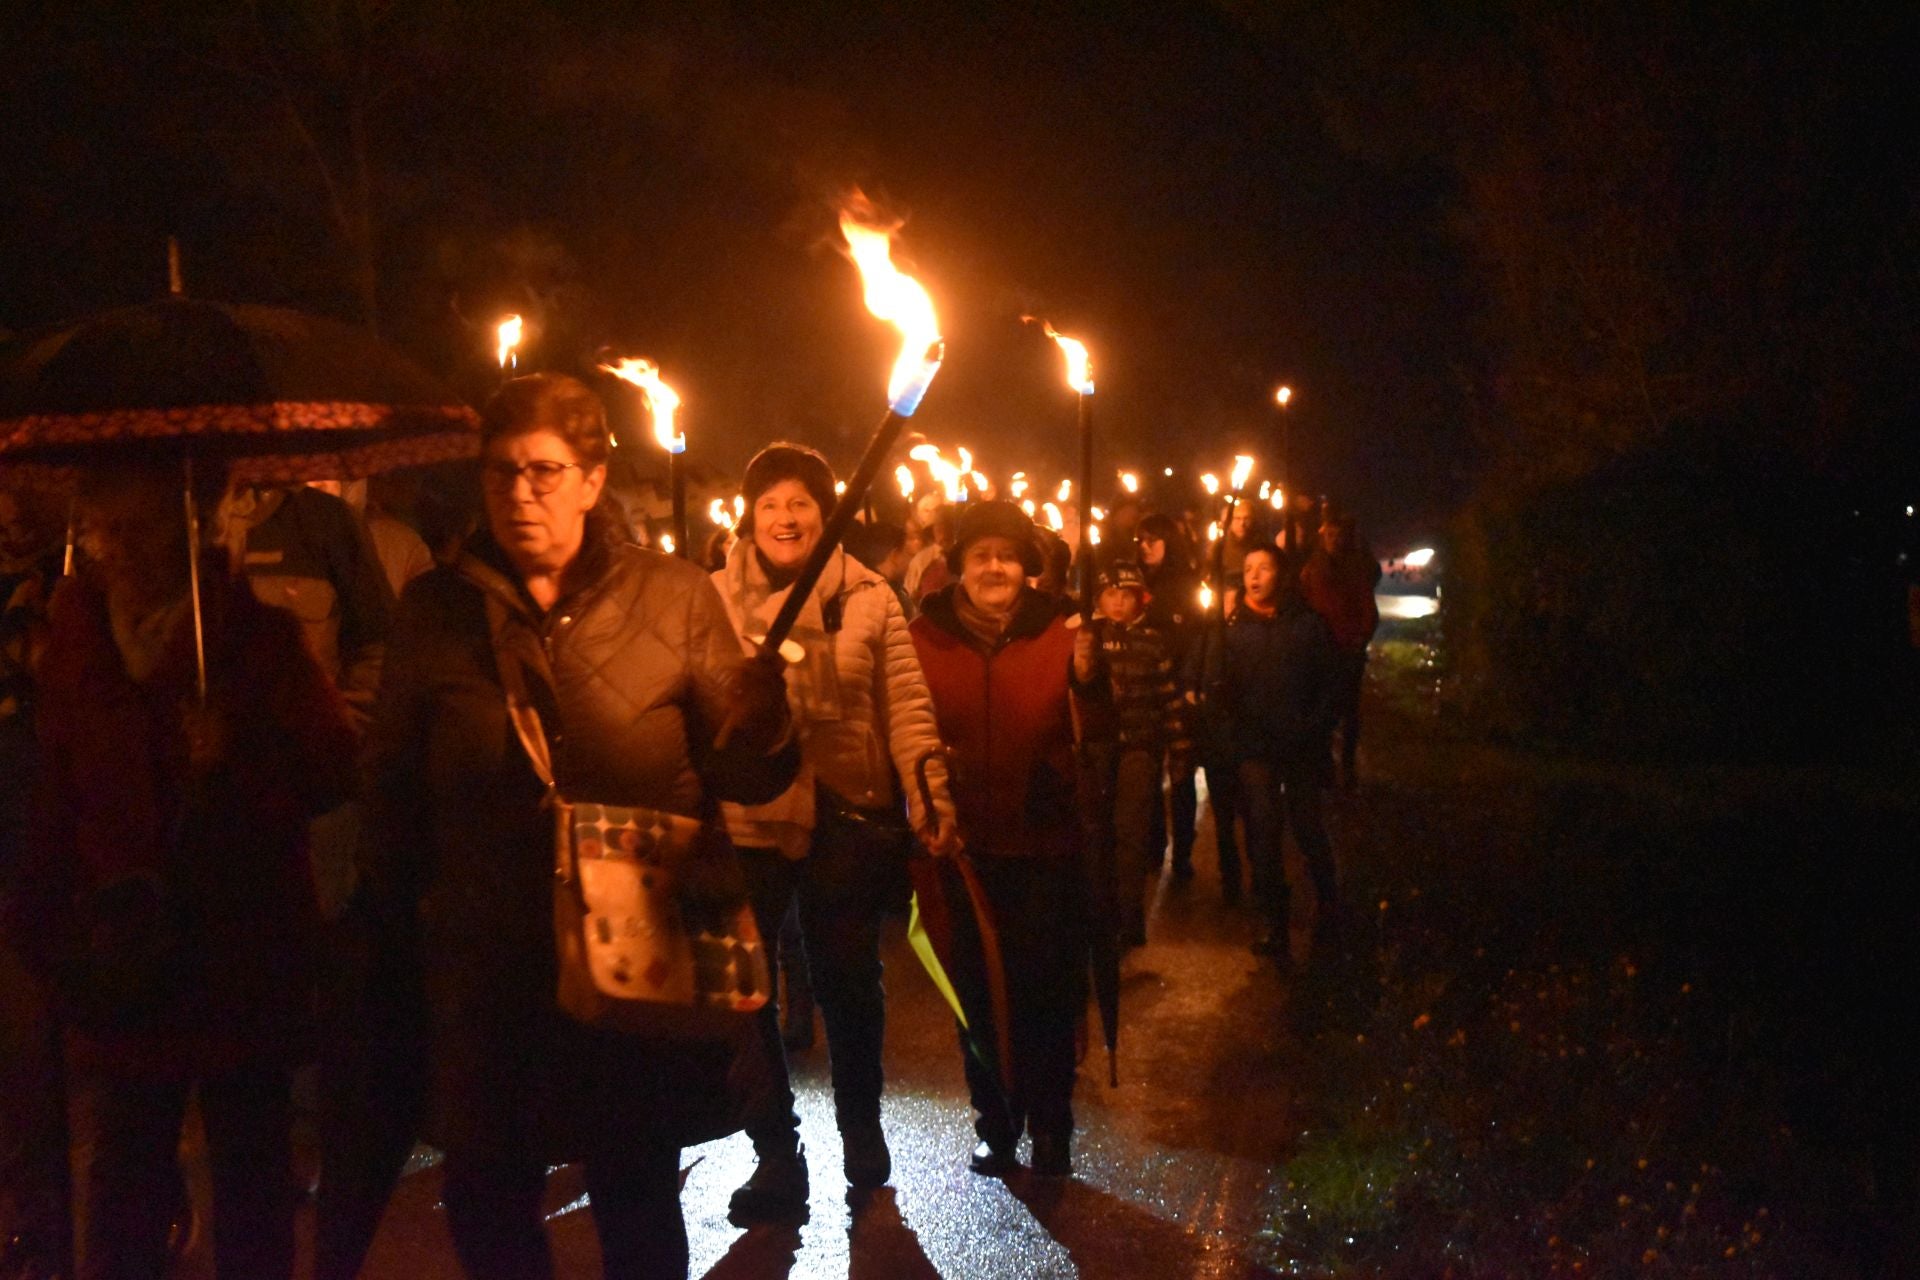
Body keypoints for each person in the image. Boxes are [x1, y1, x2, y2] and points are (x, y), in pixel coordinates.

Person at [355, 374, 797, 1279]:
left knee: (636, 1196)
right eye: (501, 472)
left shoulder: (672, 598)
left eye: (546, 471)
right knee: (487, 1201)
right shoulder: (436, 612)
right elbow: (394, 791)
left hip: (629, 965)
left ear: (595, 479)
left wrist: (767, 720)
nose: (521, 493)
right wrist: (392, 945)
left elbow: (745, 775)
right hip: (491, 968)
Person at [6, 461, 357, 1280]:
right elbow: (59, 794)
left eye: (142, 531)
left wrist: (240, 754)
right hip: (129, 955)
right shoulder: (78, 640)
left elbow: (332, 769)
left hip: (240, 954)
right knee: (125, 1180)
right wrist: (41, 927)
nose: (120, 552)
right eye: (106, 532)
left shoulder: (254, 639)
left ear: (189, 530)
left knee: (250, 1184)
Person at [711, 444, 957, 1219]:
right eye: (770, 504)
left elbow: (907, 711)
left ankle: (861, 1122)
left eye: (801, 504)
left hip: (847, 811)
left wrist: (930, 797)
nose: (784, 518)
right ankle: (776, 1153)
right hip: (751, 814)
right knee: (744, 988)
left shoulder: (868, 597)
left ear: (828, 515)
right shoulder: (712, 597)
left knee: (849, 980)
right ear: (749, 517)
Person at [909, 500, 1092, 1178]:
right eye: (981, 554)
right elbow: (901, 728)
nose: (995, 567)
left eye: (1008, 555)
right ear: (958, 565)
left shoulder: (1064, 631)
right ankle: (996, 1124)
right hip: (961, 851)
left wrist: (1094, 680)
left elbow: (1103, 732)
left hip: (1044, 848)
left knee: (1044, 992)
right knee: (976, 997)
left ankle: (1051, 1126)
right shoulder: (922, 637)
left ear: (1027, 568)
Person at [1209, 545, 1340, 962]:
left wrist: (1315, 729)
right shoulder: (1232, 631)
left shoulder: (1306, 625)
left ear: (1280, 575)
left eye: (1264, 567)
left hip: (1300, 746)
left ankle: (1330, 903)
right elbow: (1222, 695)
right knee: (1263, 835)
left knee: (1306, 827)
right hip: (1255, 749)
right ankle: (1275, 925)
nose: (1255, 575)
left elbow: (1329, 684)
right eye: (1248, 568)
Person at [1085, 561, 1192, 946]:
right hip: (1099, 751)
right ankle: (1100, 916)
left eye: (1125, 595)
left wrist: (1179, 751)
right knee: (1099, 836)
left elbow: (1169, 700)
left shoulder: (1153, 641)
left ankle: (1129, 920)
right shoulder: (1089, 640)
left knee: (1130, 835)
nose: (1117, 603)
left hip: (1140, 749)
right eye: (1110, 594)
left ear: (1139, 598)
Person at [1136, 513, 1204, 881]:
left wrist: (1190, 682)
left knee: (1180, 774)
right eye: (1141, 540)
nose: (1145, 547)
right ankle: (1153, 847)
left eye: (1153, 540)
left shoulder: (1185, 584)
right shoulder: (1134, 583)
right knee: (1146, 773)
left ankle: (1182, 853)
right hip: (1144, 691)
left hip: (1178, 690)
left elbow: (1196, 636)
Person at [1300, 511, 1381, 789]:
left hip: (1348, 649)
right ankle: (1324, 765)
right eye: (1329, 535)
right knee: (1322, 709)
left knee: (1349, 709)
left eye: (1338, 535)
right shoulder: (1312, 568)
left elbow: (1368, 608)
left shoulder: (1355, 568)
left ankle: (1347, 764)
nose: (1334, 540)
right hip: (1320, 651)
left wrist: (1360, 639)